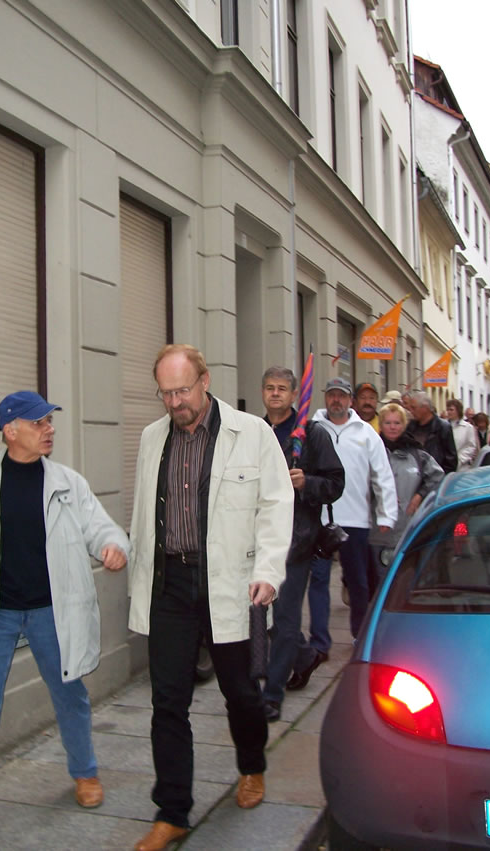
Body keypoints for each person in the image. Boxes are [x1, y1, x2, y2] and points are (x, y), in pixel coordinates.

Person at [0, 391, 129, 851]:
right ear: (10, 430)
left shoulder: (67, 483)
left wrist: (113, 545)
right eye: (38, 422)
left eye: (49, 421)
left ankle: (85, 773)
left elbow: (99, 526)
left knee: (71, 697)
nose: (49, 429)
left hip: (51, 612)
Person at [128, 344, 293, 851]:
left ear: (205, 381)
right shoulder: (152, 438)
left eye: (182, 390)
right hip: (170, 585)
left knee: (240, 693)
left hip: (229, 582)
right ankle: (172, 811)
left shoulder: (252, 433)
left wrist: (268, 571)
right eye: (165, 393)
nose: (174, 402)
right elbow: (145, 514)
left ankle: (252, 764)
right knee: (167, 701)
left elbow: (276, 504)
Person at [260, 367, 344, 719]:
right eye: (269, 388)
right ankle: (305, 656)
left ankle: (272, 694)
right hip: (260, 537)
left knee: (284, 616)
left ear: (294, 394)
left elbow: (336, 483)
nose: (275, 394)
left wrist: (307, 482)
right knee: (264, 615)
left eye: (282, 388)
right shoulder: (256, 431)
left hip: (296, 540)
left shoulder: (312, 433)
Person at [311, 377, 398, 635]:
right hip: (319, 520)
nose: (336, 400)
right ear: (325, 398)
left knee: (358, 582)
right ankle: (319, 641)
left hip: (355, 519)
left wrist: (386, 514)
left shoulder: (366, 433)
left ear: (350, 400)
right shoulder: (313, 429)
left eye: (341, 395)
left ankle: (359, 635)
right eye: (331, 395)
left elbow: (382, 474)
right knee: (318, 580)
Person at [369, 403, 445, 586]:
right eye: (388, 423)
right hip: (378, 532)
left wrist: (420, 495)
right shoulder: (371, 452)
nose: (392, 427)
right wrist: (380, 495)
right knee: (380, 583)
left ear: (404, 425)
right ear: (381, 425)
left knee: (406, 581)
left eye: (397, 423)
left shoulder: (417, 454)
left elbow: (437, 477)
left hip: (408, 529)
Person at [403, 390, 458, 473]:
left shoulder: (443, 427)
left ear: (425, 408)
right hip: (414, 474)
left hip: (436, 475)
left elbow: (451, 459)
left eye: (413, 408)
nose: (410, 411)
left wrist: (441, 476)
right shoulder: (410, 426)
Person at [446, 397, 479, 471]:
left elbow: (471, 446)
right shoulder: (443, 426)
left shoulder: (468, 427)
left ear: (458, 411)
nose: (448, 412)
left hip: (462, 467)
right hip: (446, 466)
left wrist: (460, 459)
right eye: (447, 410)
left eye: (451, 410)